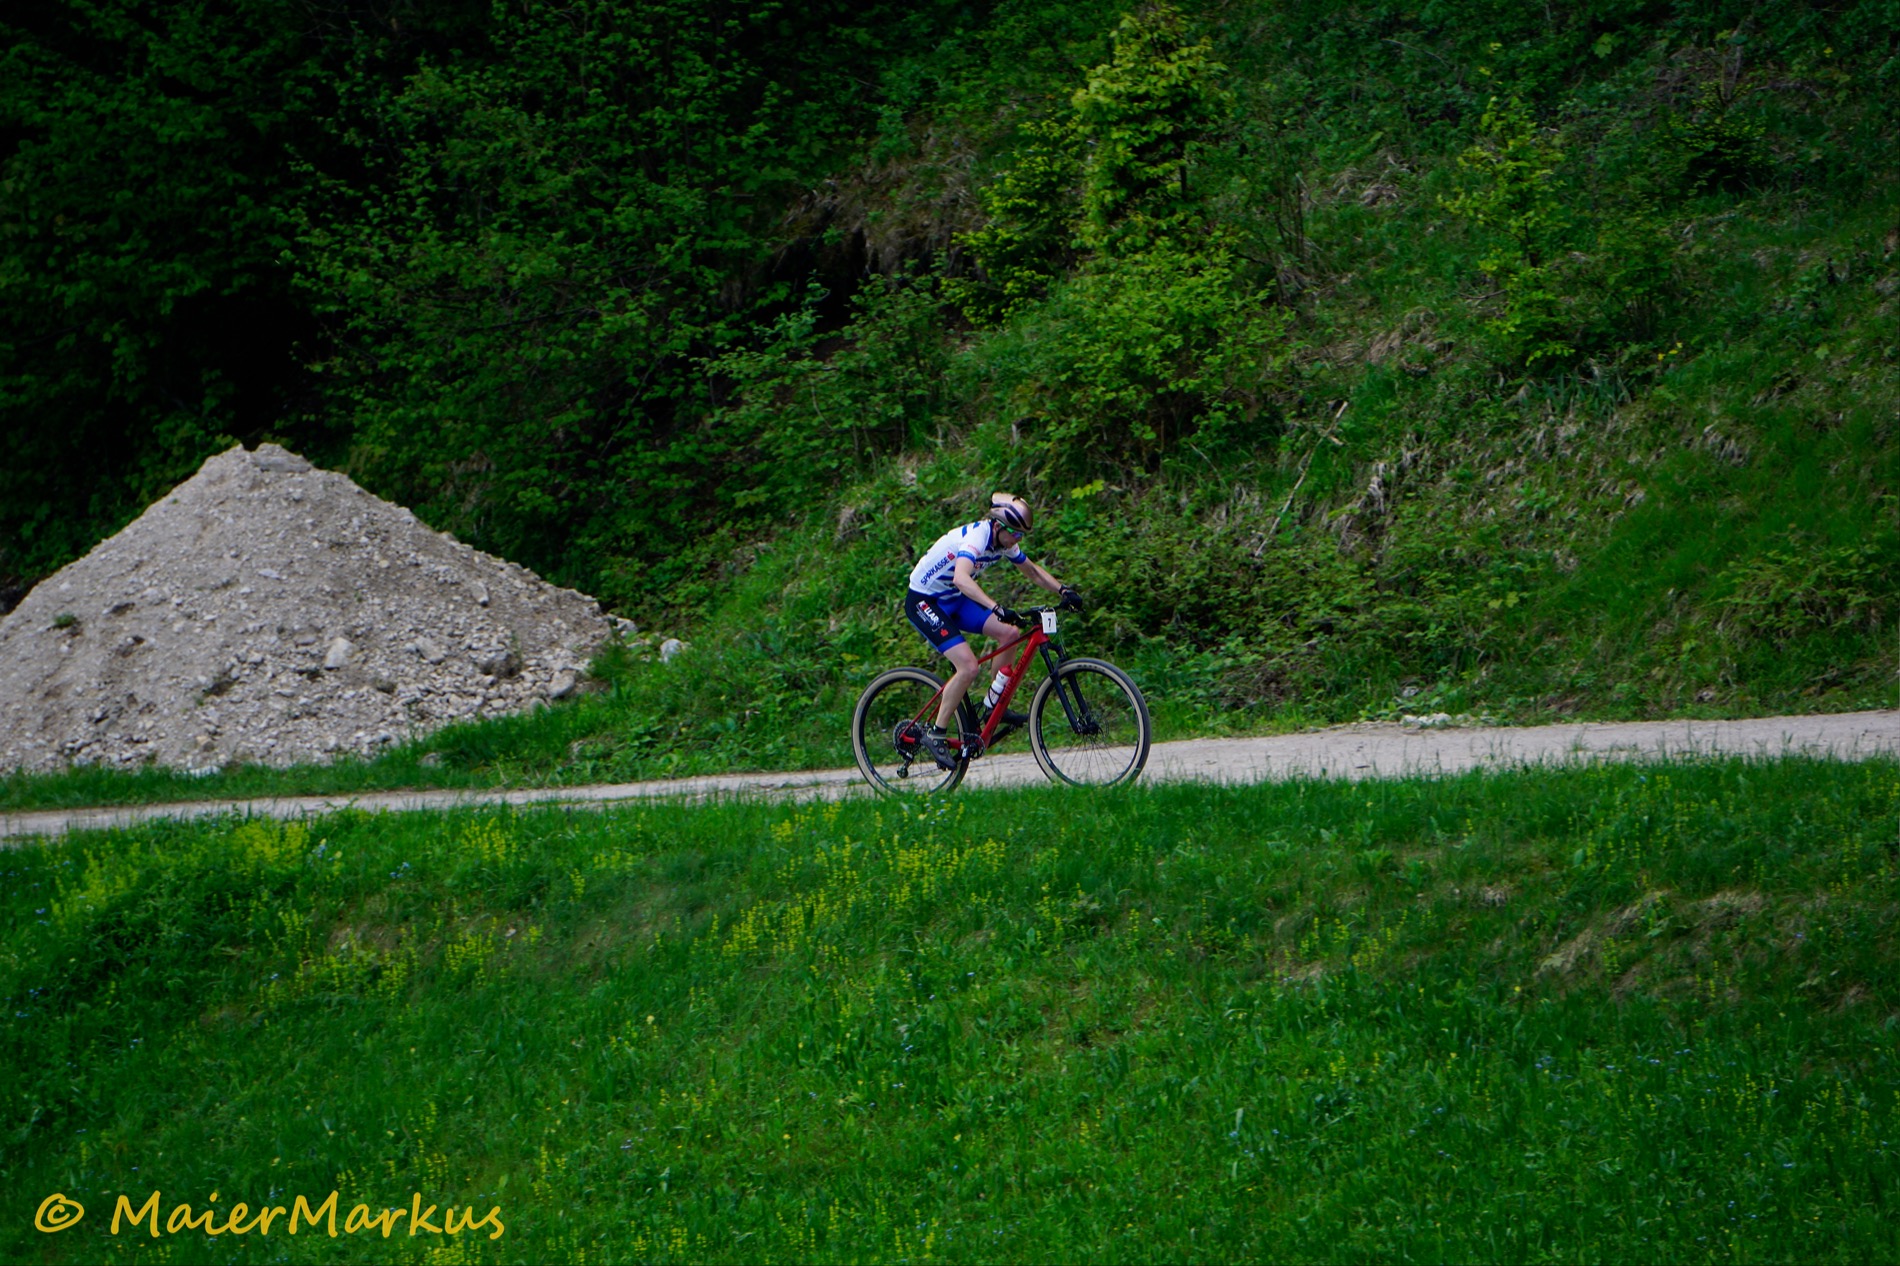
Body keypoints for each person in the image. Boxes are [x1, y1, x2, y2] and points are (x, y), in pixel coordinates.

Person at [904, 492, 1082, 768]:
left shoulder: (1003, 542)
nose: (1017, 540)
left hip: (953, 598)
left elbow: (1032, 571)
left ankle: (994, 705)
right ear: (999, 526)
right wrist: (995, 607)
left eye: (1022, 535)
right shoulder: (977, 538)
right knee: (968, 667)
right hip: (925, 601)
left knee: (1009, 634)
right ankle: (936, 733)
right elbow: (961, 578)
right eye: (1015, 534)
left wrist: (1063, 590)